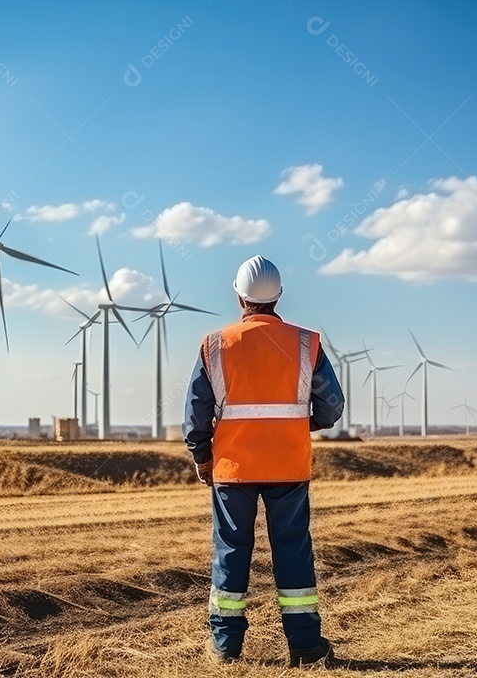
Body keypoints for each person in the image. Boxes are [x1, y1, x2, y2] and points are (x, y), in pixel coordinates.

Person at [183, 254, 345, 666]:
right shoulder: (307, 343)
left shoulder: (216, 345)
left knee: (231, 551)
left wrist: (202, 455)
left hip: (232, 469)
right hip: (288, 467)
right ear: (279, 296)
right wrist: (297, 426)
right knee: (293, 550)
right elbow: (332, 404)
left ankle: (224, 646)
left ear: (239, 295)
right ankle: (307, 646)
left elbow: (197, 412)